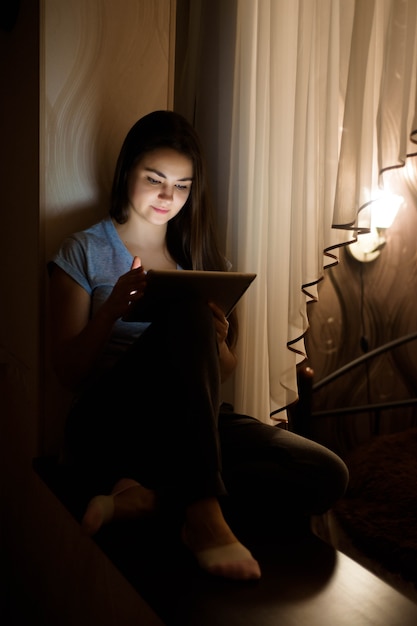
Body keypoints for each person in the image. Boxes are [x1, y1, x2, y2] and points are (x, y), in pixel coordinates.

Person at [48, 109, 349, 582]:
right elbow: (67, 373)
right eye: (155, 179)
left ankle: (153, 499)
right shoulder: (83, 250)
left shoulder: (202, 260)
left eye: (183, 185)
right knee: (184, 308)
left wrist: (220, 341)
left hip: (186, 426)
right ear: (127, 170)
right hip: (110, 422)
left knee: (324, 471)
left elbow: (221, 372)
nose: (169, 196)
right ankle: (202, 515)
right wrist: (109, 313)